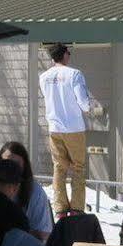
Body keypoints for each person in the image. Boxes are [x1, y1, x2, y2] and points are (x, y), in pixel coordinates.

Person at [39, 44, 101, 216]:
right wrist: (89, 107)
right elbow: (82, 101)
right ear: (65, 55)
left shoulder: (44, 77)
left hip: (54, 127)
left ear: (53, 57)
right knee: (78, 168)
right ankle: (76, 208)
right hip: (74, 128)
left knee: (59, 168)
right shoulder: (74, 74)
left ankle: (60, 208)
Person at [0, 140, 55, 240]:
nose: (11, 167)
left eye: (16, 164)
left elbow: (44, 234)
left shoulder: (36, 192)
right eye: (7, 162)